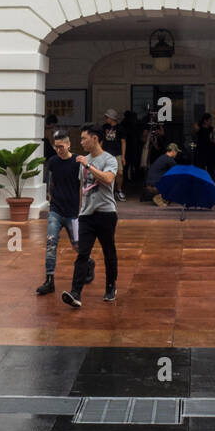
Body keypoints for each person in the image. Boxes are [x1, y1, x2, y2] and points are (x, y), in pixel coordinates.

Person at [62, 123, 119, 307]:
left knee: (108, 251)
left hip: (106, 213)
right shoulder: (83, 160)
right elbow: (82, 188)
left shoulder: (109, 159)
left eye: (84, 138)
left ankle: (111, 286)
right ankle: (75, 293)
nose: (82, 142)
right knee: (82, 254)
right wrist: (79, 212)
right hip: (87, 215)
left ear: (95, 138)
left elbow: (108, 179)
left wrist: (90, 166)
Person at [36, 130, 94, 295]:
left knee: (77, 246)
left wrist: (81, 210)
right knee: (51, 244)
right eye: (56, 147)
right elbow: (51, 181)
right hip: (56, 210)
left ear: (69, 144)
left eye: (61, 146)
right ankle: (49, 280)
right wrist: (49, 197)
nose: (59, 150)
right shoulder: (53, 162)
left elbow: (83, 187)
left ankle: (89, 263)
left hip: (73, 212)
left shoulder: (77, 162)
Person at [100, 108, 126, 201]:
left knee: (120, 173)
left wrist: (123, 156)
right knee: (106, 172)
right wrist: (99, 152)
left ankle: (118, 190)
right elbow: (102, 140)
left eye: (107, 117)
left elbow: (123, 142)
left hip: (117, 153)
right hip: (106, 153)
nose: (106, 119)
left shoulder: (120, 128)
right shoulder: (104, 127)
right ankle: (107, 192)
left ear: (112, 118)